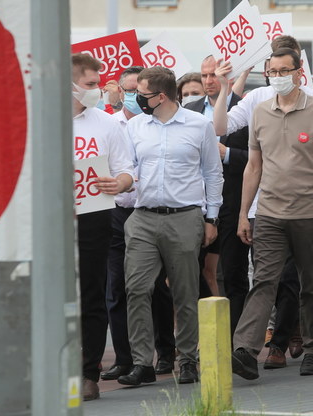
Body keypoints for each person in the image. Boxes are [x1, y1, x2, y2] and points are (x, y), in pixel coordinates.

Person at [222, 48, 313, 379]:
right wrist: (243, 214)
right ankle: (245, 350)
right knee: (263, 281)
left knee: (310, 283)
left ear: (299, 71)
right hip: (270, 213)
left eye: (283, 70)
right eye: (272, 71)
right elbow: (253, 166)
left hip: (310, 211)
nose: (277, 76)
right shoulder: (260, 112)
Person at [118, 66, 223, 386]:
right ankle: (142, 363)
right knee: (136, 288)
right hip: (143, 217)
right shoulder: (135, 127)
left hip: (185, 216)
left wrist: (211, 218)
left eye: (143, 93)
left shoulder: (199, 125)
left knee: (185, 290)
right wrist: (119, 183)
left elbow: (212, 173)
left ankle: (188, 358)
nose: (137, 98)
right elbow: (127, 167)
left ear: (161, 96)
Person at [102, 66, 176, 382]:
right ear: (119, 91)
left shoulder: (157, 125)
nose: (134, 97)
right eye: (129, 91)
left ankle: (165, 353)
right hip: (119, 215)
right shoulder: (108, 124)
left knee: (156, 287)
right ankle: (125, 357)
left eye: (139, 91)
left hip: (150, 213)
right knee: (117, 289)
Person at [71, 53, 135, 401]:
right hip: (51, 224)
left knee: (93, 294)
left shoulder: (107, 124)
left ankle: (88, 371)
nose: (97, 90)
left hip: (95, 218)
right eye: (90, 84)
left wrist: (120, 182)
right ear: (70, 83)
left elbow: (127, 170)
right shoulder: (42, 121)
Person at [185, 55, 250, 334]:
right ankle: (207, 332)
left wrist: (228, 155)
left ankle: (234, 337)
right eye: (205, 75)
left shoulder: (246, 107)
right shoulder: (189, 110)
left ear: (228, 77)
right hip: (197, 205)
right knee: (193, 270)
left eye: (214, 75)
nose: (209, 80)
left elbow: (260, 158)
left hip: (234, 202)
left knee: (234, 273)